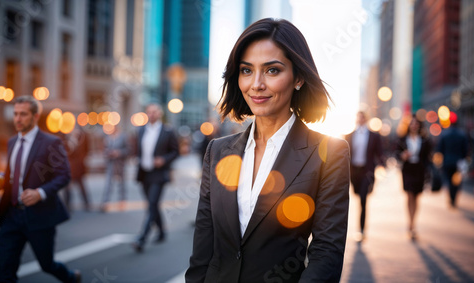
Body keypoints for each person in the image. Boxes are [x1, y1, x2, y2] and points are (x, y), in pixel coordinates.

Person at [186, 18, 350, 283]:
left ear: (298, 78)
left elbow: (327, 253)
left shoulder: (329, 153)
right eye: (247, 70)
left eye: (272, 70)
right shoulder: (217, 150)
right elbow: (203, 246)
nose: (256, 84)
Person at [0, 96, 80, 282]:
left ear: (35, 116)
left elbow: (63, 176)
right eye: (16, 114)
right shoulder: (11, 142)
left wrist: (39, 193)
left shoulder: (52, 143)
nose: (17, 119)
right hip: (11, 215)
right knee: (4, 271)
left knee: (47, 264)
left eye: (23, 114)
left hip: (39, 216)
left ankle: (71, 278)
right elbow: (12, 175)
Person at [132, 103, 179, 252]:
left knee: (152, 204)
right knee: (153, 204)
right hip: (144, 173)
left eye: (154, 112)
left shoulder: (168, 131)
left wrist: (163, 160)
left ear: (159, 114)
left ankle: (142, 238)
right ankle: (162, 232)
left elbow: (175, 151)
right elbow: (137, 149)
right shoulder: (140, 130)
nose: (151, 114)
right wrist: (137, 159)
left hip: (159, 174)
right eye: (149, 112)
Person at [344, 111, 383, 242]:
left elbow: (379, 153)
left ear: (366, 119)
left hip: (367, 172)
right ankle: (359, 229)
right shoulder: (349, 136)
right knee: (356, 194)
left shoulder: (373, 136)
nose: (360, 120)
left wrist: (382, 165)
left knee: (363, 199)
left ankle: (361, 230)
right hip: (354, 172)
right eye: (358, 117)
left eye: (362, 117)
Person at [395, 114, 432, 240]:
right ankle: (410, 223)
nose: (414, 125)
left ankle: (413, 221)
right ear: (408, 125)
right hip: (408, 169)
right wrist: (403, 156)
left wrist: (428, 171)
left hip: (419, 170)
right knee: (409, 194)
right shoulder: (403, 139)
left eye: (416, 123)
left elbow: (427, 157)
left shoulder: (424, 140)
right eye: (412, 123)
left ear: (419, 125)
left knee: (416, 196)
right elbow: (396, 154)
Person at [436, 118, 468, 208]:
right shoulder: (462, 134)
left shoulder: (444, 134)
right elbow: (465, 149)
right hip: (458, 161)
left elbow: (440, 148)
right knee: (457, 181)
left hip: (447, 161)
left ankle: (451, 197)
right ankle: (453, 198)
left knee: (449, 180)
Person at [101, 125, 130, 212]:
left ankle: (122, 200)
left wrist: (119, 153)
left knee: (122, 183)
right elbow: (104, 149)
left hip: (120, 163)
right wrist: (108, 153)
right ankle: (106, 201)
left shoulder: (123, 137)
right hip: (111, 163)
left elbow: (128, 150)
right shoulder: (107, 138)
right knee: (108, 183)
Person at [64, 127, 90, 211]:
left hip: (78, 168)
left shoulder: (81, 141)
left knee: (81, 186)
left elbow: (86, 151)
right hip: (70, 168)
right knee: (68, 188)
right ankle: (67, 205)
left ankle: (86, 203)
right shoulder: (67, 141)